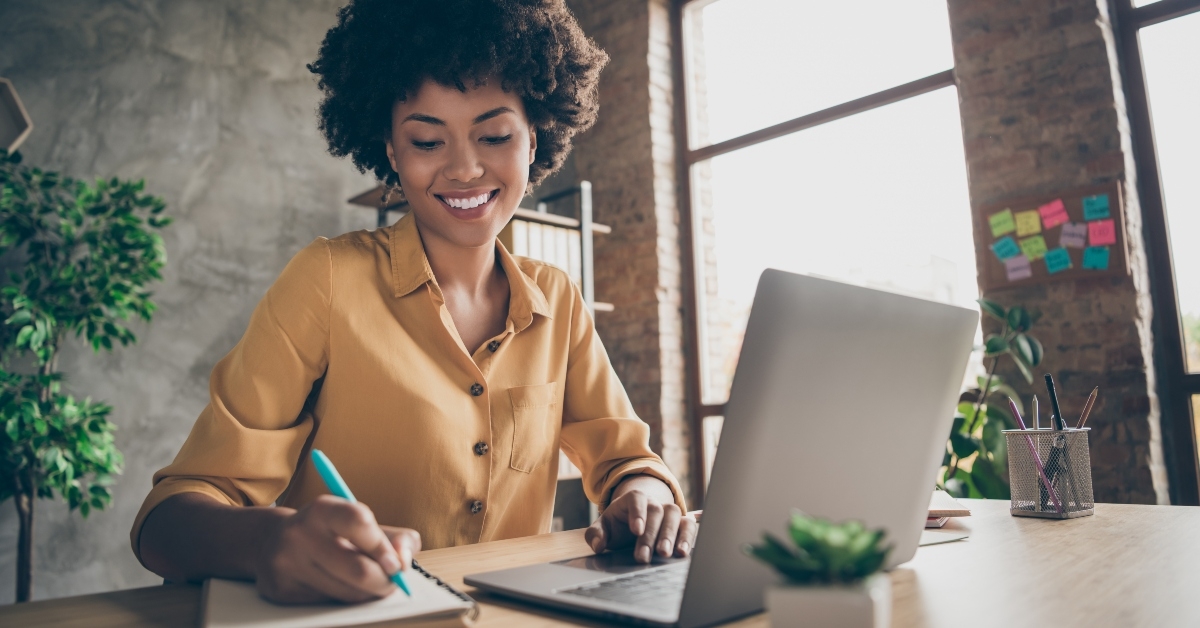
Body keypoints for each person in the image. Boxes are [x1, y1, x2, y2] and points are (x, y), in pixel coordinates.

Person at [131, 0, 695, 605]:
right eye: (427, 140)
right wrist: (268, 540)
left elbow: (628, 461)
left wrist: (643, 499)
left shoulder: (557, 299)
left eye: (495, 135)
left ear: (534, 139)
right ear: (393, 154)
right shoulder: (327, 280)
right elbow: (167, 523)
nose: (465, 168)